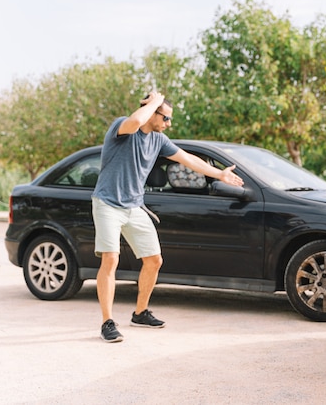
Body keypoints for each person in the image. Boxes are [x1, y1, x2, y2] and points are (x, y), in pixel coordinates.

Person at [91, 92, 244, 343]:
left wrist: (219, 174)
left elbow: (187, 159)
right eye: (166, 118)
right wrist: (152, 103)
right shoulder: (122, 126)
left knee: (154, 260)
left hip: (134, 205)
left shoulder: (159, 140)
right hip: (108, 202)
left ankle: (140, 313)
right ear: (152, 113)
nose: (169, 124)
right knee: (110, 259)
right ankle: (107, 322)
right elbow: (134, 122)